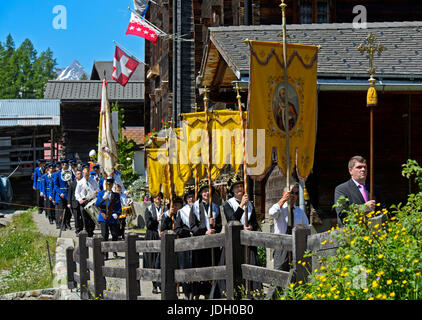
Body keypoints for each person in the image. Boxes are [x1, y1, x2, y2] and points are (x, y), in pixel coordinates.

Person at [211, 174, 263, 298]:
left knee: (251, 266)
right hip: (233, 243)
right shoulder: (228, 204)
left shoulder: (250, 204)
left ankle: (252, 294)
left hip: (247, 242)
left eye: (241, 186)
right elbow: (232, 220)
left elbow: (255, 222)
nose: (240, 189)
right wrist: (241, 206)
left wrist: (251, 226)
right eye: (237, 187)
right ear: (232, 190)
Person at [189, 180, 222, 299]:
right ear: (200, 193)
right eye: (204, 191)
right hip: (200, 244)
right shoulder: (195, 207)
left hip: (213, 243)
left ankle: (211, 293)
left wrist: (214, 226)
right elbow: (192, 226)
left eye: (208, 191)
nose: (206, 193)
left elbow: (220, 226)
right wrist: (204, 231)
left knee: (213, 266)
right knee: (200, 267)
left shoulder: (215, 207)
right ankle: (197, 293)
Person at [334, 155, 385, 227]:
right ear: (350, 171)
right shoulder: (341, 189)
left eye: (365, 167)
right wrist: (363, 208)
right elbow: (342, 213)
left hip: (374, 231)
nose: (363, 169)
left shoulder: (374, 188)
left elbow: (383, 210)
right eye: (359, 167)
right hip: (352, 232)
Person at [269, 182, 309, 272]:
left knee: (296, 273)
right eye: (291, 192)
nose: (293, 195)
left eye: (296, 193)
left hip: (296, 246)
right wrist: (283, 200)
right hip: (281, 245)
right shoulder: (280, 209)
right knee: (279, 273)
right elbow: (271, 213)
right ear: (285, 194)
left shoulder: (300, 212)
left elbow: (306, 228)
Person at [174, 188, 195, 299]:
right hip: (185, 244)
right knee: (185, 267)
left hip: (198, 243)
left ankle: (197, 291)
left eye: (192, 196)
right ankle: (187, 292)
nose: (191, 199)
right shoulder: (181, 212)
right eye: (189, 197)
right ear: (186, 199)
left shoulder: (200, 209)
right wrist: (188, 232)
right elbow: (177, 229)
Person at [96, 176, 120, 260]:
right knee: (104, 235)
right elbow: (97, 204)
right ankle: (105, 253)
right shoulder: (101, 193)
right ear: (105, 184)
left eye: (110, 184)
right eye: (107, 184)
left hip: (112, 216)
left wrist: (117, 214)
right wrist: (103, 199)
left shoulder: (116, 195)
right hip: (103, 216)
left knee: (114, 235)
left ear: (112, 185)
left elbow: (118, 207)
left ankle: (114, 251)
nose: (109, 186)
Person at [144, 192, 164, 294]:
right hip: (152, 235)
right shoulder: (149, 209)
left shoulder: (164, 208)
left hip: (162, 236)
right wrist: (157, 220)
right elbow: (148, 224)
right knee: (153, 261)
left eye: (159, 197)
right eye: (156, 197)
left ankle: (162, 283)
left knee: (161, 261)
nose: (158, 198)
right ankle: (155, 285)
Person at [75, 167, 99, 237]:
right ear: (83, 173)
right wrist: (79, 199)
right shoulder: (80, 182)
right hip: (84, 201)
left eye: (87, 174)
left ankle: (91, 230)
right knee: (85, 217)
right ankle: (87, 230)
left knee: (92, 216)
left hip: (91, 200)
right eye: (85, 174)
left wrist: (96, 192)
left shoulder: (93, 181)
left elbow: (97, 188)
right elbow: (77, 193)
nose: (86, 175)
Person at [54, 159, 74, 230]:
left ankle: (68, 223)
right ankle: (62, 224)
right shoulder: (58, 174)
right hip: (61, 194)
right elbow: (56, 185)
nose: (65, 166)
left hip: (68, 193)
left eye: (66, 165)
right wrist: (60, 193)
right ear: (62, 166)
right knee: (62, 210)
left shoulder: (70, 173)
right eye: (64, 165)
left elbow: (74, 182)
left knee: (68, 211)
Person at [68, 169, 84, 235]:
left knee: (82, 216)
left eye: (80, 174)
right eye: (78, 174)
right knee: (76, 217)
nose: (79, 175)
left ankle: (82, 229)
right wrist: (69, 203)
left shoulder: (83, 182)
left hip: (82, 202)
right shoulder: (72, 183)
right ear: (75, 175)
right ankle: (77, 230)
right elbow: (69, 194)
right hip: (74, 203)